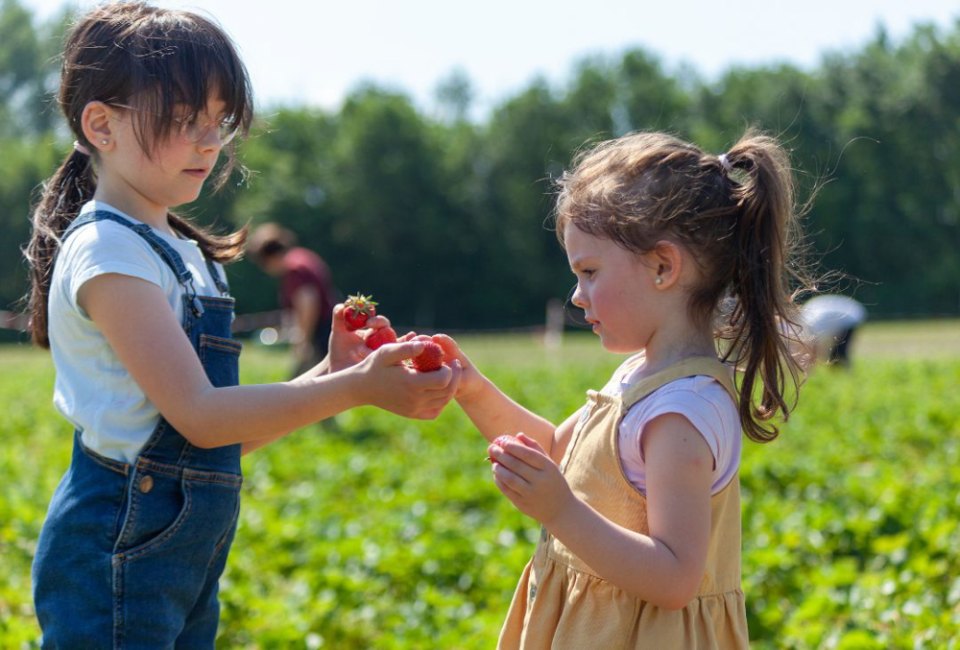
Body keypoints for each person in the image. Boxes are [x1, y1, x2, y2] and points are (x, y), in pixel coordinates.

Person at [21, 3, 460, 647]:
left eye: (218, 121)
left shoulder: (187, 254)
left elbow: (211, 442)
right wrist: (357, 387)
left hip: (183, 550)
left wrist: (331, 372)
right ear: (101, 125)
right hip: (114, 543)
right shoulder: (109, 251)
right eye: (182, 120)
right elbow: (198, 415)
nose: (209, 140)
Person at [437, 130, 813, 648]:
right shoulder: (640, 375)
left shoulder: (681, 413)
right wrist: (469, 388)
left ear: (663, 267)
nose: (576, 294)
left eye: (589, 271)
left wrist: (560, 510)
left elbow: (675, 577)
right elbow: (555, 451)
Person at [247, 222, 341, 376]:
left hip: (320, 334)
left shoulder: (293, 268)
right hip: (328, 329)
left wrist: (303, 340)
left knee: (300, 385)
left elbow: (308, 301)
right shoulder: (302, 256)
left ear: (269, 258)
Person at [800, 294, 866, 367]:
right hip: (849, 313)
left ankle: (844, 370)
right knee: (835, 351)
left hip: (850, 318)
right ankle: (839, 370)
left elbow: (818, 344)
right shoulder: (810, 317)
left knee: (840, 351)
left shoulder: (813, 322)